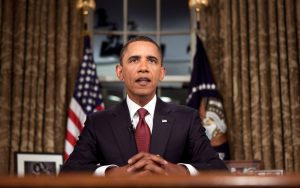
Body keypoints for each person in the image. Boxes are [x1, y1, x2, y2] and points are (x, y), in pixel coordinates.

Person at [61, 36, 228, 176]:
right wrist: (112, 174)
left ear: (161, 72)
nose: (143, 68)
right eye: (134, 60)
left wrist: (179, 170)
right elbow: (69, 172)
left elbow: (218, 170)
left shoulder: (187, 118)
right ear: (120, 72)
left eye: (152, 60)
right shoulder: (98, 122)